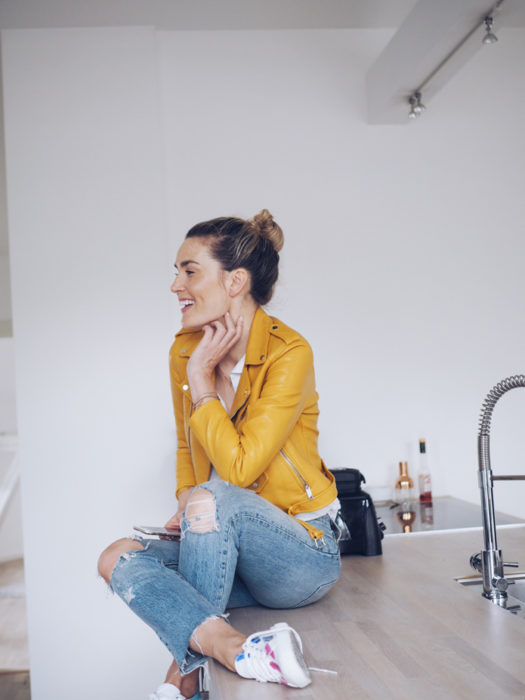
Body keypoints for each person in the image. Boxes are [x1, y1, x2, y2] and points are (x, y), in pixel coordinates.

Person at [98, 209, 341, 700]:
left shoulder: (289, 353)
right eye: (176, 271)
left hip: (303, 552)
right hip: (230, 547)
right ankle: (237, 649)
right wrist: (187, 500)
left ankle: (182, 679)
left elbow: (238, 468)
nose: (175, 286)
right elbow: (190, 444)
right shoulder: (185, 351)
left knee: (214, 495)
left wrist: (203, 384)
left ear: (235, 281)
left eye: (189, 271)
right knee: (115, 557)